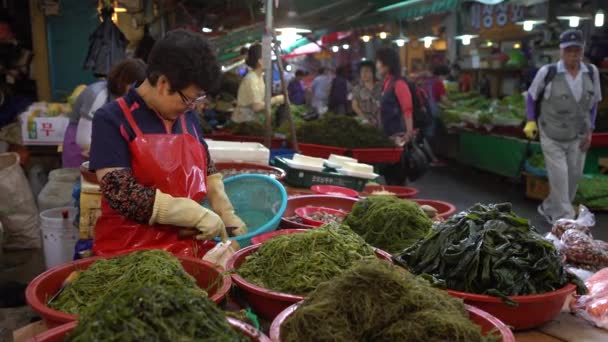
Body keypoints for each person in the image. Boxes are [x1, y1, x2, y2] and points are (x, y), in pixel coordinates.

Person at [89, 29, 246, 261]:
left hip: (188, 250)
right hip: (129, 255)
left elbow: (206, 165)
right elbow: (120, 192)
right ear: (163, 83)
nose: (192, 106)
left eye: (197, 99)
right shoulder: (111, 119)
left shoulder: (186, 115)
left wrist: (224, 210)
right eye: (188, 98)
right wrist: (195, 214)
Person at [524, 29, 602, 224]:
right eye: (569, 50)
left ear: (582, 51)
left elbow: (594, 104)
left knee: (573, 178)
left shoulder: (591, 73)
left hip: (579, 134)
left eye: (577, 50)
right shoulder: (548, 72)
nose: (573, 54)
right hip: (552, 133)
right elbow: (532, 97)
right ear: (561, 51)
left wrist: (590, 131)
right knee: (559, 177)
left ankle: (549, 207)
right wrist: (531, 120)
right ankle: (565, 221)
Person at [62, 59, 146, 167]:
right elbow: (83, 139)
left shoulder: (131, 98)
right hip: (80, 144)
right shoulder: (97, 94)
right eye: (135, 84)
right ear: (123, 80)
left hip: (102, 145)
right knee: (80, 180)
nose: (138, 89)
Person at [376, 48, 416, 185]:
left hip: (399, 137)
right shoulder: (387, 83)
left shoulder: (399, 83)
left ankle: (401, 202)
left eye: (379, 62)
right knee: (389, 175)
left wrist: (409, 133)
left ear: (387, 64)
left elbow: (407, 109)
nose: (377, 65)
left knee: (397, 176)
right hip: (388, 136)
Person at [233, 44, 283, 123]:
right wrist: (277, 99)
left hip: (251, 120)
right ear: (260, 61)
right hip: (244, 122)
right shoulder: (251, 79)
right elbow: (257, 107)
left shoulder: (259, 77)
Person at [352, 61, 381, 127]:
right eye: (361, 72)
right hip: (364, 122)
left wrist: (377, 120)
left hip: (380, 122)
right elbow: (355, 106)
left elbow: (382, 106)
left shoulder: (380, 87)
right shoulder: (357, 88)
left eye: (366, 71)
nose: (363, 74)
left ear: (373, 72)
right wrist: (365, 119)